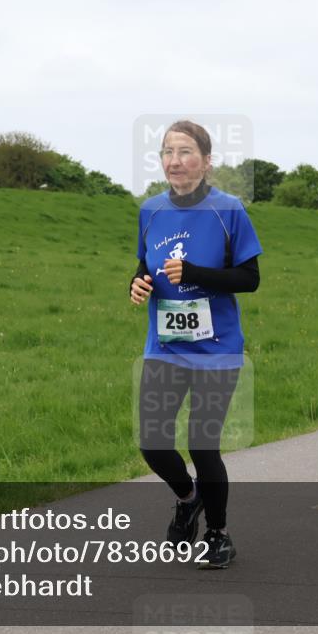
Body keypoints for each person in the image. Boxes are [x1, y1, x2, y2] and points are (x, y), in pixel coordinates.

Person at [129, 120, 262, 569]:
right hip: (164, 346)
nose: (174, 160)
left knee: (204, 445)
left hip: (217, 349)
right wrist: (138, 284)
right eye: (167, 152)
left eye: (185, 152)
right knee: (152, 441)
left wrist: (196, 275)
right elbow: (143, 265)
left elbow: (250, 278)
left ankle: (219, 534)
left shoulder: (229, 210)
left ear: (206, 162)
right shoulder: (151, 211)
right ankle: (188, 498)